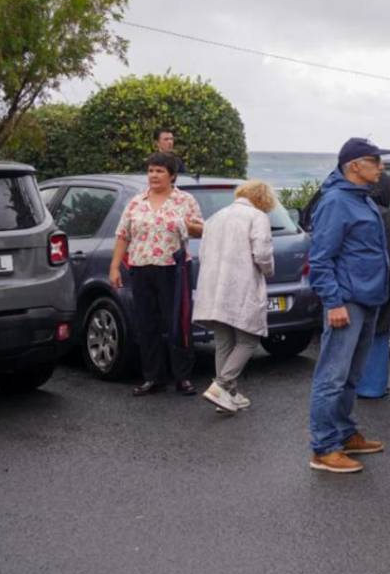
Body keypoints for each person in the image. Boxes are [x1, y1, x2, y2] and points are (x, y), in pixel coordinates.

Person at [306, 137, 390, 474]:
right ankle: (324, 448)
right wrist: (334, 301)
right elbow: (320, 258)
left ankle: (344, 432)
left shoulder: (361, 198)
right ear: (355, 166)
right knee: (332, 375)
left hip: (368, 298)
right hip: (347, 301)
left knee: (352, 374)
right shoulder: (336, 202)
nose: (381, 167)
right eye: (375, 161)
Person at [109, 152, 204, 397]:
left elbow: (201, 230)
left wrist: (186, 224)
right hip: (141, 267)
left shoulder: (185, 200)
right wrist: (114, 267)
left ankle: (182, 377)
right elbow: (123, 235)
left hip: (173, 268)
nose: (154, 175)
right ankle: (153, 377)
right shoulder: (136, 202)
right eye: (151, 170)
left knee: (177, 322)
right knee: (146, 323)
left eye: (160, 171)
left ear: (172, 175)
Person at [193, 180, 276, 412]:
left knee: (224, 342)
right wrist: (269, 270)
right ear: (263, 199)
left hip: (213, 287)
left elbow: (203, 253)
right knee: (249, 339)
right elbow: (262, 253)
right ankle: (221, 385)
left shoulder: (214, 218)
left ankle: (228, 396)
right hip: (241, 286)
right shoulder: (257, 217)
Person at [356, 173, 390, 399]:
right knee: (379, 335)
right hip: (381, 284)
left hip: (356, 283)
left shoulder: (356, 208)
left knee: (358, 335)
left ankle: (358, 384)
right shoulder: (384, 214)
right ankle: (374, 386)